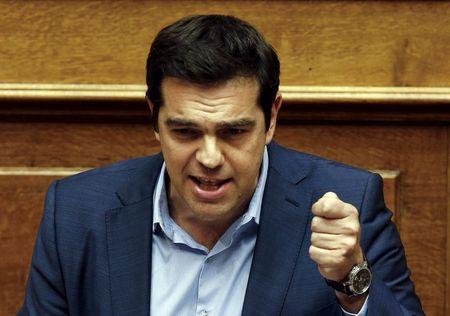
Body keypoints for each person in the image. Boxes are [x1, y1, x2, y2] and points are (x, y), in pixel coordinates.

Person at [19, 15, 423, 316]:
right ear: (154, 119)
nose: (210, 158)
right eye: (185, 132)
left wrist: (353, 287)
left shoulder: (349, 203)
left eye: (233, 133)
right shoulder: (76, 212)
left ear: (272, 118)